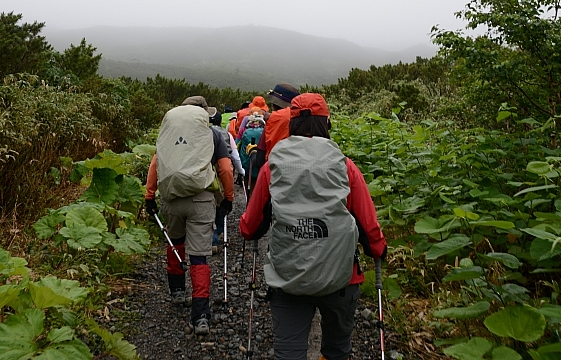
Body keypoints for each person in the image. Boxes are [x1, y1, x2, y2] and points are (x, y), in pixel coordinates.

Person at [239, 93, 387, 360]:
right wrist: (378, 249)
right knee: (337, 350)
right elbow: (368, 224)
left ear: (291, 123)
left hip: (289, 277)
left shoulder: (273, 167)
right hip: (341, 277)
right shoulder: (345, 167)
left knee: (288, 353)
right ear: (326, 123)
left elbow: (250, 227)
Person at [145, 96, 235, 335]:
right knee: (198, 256)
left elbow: (156, 164)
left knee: (175, 242)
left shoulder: (168, 134)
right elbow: (225, 169)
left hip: (172, 198)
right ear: (204, 114)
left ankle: (176, 293)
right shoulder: (213, 134)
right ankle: (201, 316)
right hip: (201, 199)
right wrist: (228, 198)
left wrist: (149, 195)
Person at [209, 108, 243, 253]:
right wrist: (241, 172)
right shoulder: (226, 134)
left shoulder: (200, 134)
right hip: (221, 175)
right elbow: (234, 156)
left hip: (204, 176)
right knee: (220, 205)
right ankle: (216, 237)